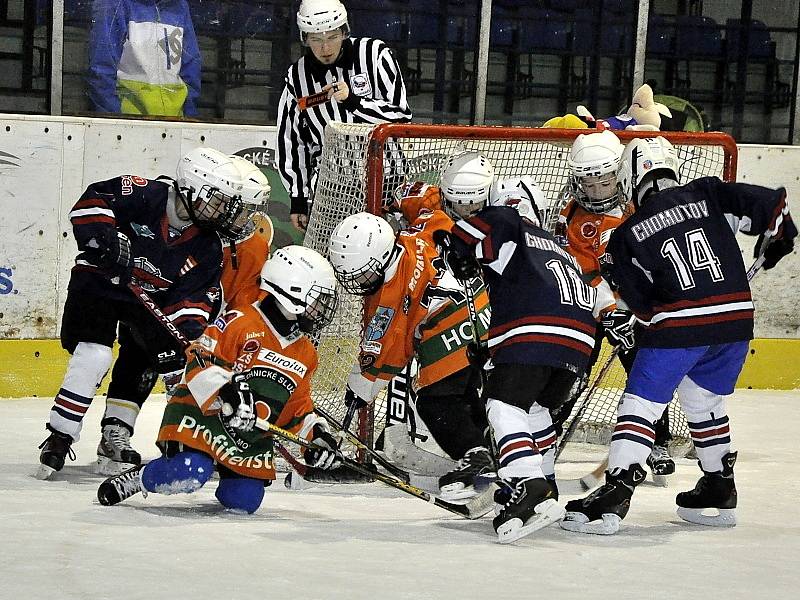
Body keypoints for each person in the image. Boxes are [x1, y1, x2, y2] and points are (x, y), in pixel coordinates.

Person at [561, 137, 796, 535]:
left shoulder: (626, 234)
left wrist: (648, 316)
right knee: (703, 401)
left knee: (640, 405)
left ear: (630, 179)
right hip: (736, 320)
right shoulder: (709, 192)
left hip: (681, 326)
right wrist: (780, 237)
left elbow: (642, 303)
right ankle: (718, 485)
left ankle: (615, 492)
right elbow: (775, 205)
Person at [36, 148, 261, 480]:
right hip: (99, 281)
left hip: (145, 300)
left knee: (158, 358)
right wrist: (105, 240)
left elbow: (191, 302)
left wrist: (186, 340)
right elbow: (91, 202)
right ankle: (60, 433)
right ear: (191, 189)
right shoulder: (144, 193)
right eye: (216, 200)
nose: (221, 211)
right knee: (95, 354)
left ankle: (116, 436)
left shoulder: (208, 246)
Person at [97, 246, 342, 513]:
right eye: (318, 299)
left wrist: (316, 437)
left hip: (246, 436)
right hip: (203, 418)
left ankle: (228, 473)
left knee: (244, 500)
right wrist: (226, 390)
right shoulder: (241, 322)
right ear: (291, 293)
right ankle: (141, 478)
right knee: (190, 471)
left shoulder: (305, 353)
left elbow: (296, 408)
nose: (322, 308)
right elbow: (199, 360)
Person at [439, 172, 598, 544]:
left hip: (538, 330)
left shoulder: (506, 220)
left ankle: (529, 485)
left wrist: (455, 248)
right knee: (535, 410)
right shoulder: (558, 248)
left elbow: (475, 231)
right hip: (580, 340)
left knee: (503, 407)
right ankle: (547, 485)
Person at [93, 157, 272, 476]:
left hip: (211, 328)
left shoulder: (254, 246)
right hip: (165, 312)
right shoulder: (200, 229)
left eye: (250, 212)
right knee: (139, 355)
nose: (245, 218)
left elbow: (244, 301)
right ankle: (115, 433)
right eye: (241, 208)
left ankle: (199, 439)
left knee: (206, 378)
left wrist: (220, 334)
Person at [328, 206, 493, 502]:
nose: (361, 283)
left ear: (380, 258)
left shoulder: (392, 296)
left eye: (365, 274)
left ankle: (475, 458)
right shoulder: (417, 234)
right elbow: (433, 210)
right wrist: (406, 198)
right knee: (464, 394)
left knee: (434, 400)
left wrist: (357, 392)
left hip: (452, 327)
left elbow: (384, 355)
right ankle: (492, 453)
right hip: (485, 312)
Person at [552, 130, 676, 480]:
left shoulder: (641, 206)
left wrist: (640, 304)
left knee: (645, 371)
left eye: (603, 184)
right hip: (589, 311)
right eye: (587, 185)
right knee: (571, 371)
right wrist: (609, 313)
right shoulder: (571, 218)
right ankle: (549, 431)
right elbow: (580, 274)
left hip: (637, 310)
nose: (595, 192)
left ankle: (655, 441)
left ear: (619, 176)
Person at [277, 0, 412, 232]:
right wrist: (298, 198)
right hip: (334, 189)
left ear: (344, 31)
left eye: (332, 37)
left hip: (389, 182)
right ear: (305, 38)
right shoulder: (296, 77)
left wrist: (354, 102)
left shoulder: (375, 54)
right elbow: (291, 141)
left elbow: (401, 117)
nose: (325, 48)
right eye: (316, 39)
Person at [88, 0, 201, 117]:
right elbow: (102, 70)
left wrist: (189, 121)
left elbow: (191, 67)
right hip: (130, 123)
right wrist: (115, 122)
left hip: (174, 123)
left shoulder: (180, 6)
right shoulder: (115, 4)